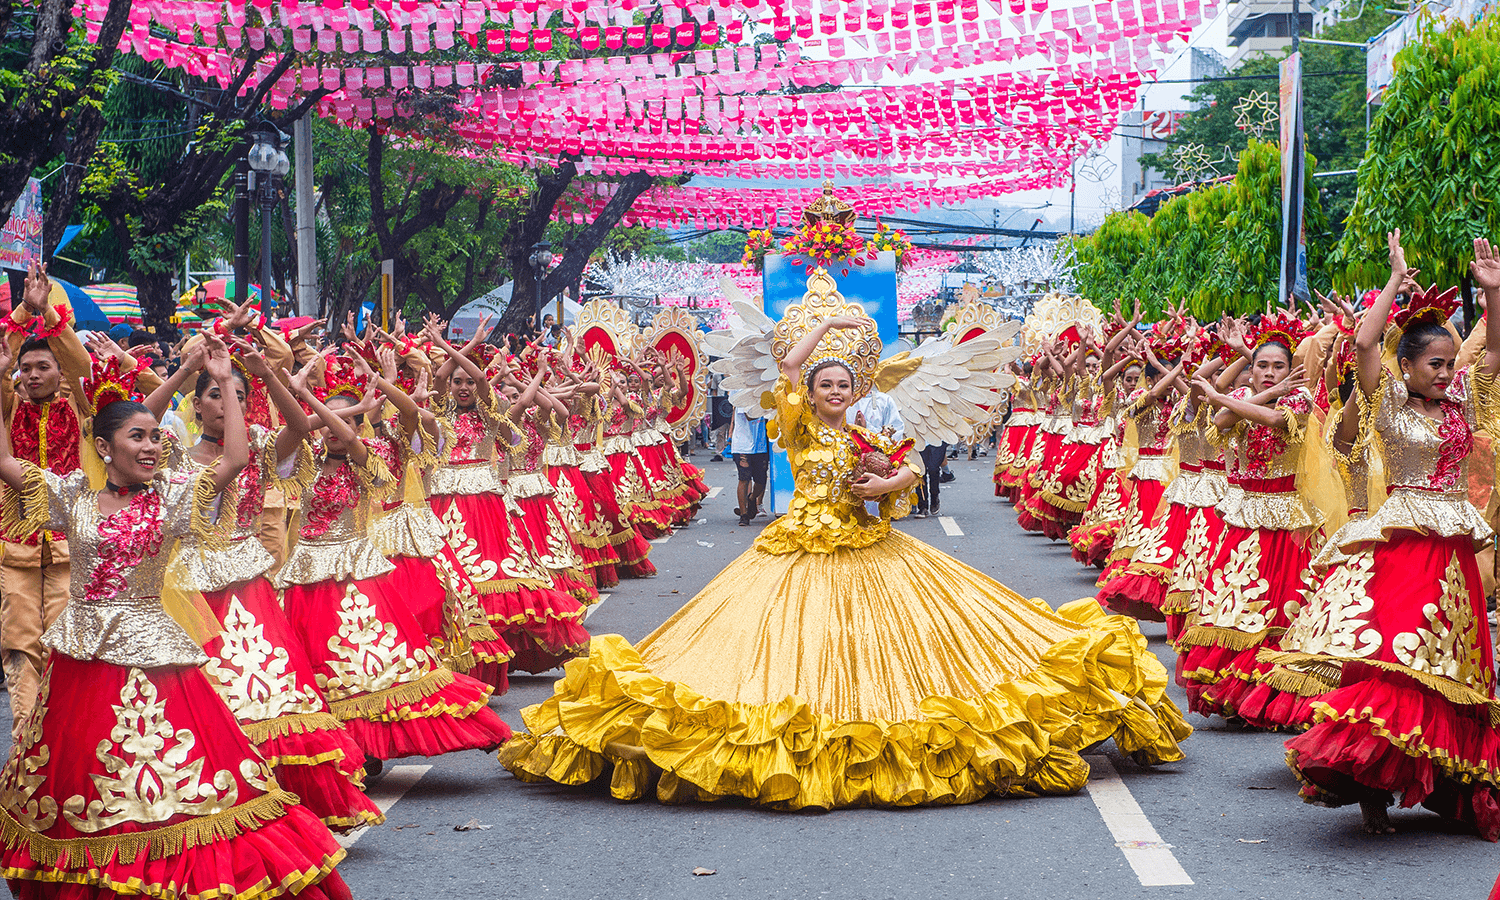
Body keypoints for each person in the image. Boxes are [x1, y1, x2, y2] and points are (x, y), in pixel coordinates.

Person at [500, 295, 1189, 811]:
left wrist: (883, 481)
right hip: (798, 546)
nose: (832, 391)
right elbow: (789, 369)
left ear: (857, 391)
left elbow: (908, 472)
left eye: (842, 385)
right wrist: (826, 333)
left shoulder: (863, 433)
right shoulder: (798, 425)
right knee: (774, 645)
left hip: (866, 544)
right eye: (825, 384)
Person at [0, 336, 353, 900]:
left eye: (153, 437)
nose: (149, 447)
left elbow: (237, 460)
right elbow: (4, 464)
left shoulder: (172, 498)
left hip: (156, 654)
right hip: (81, 659)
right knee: (79, 778)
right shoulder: (73, 497)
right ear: (103, 447)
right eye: (135, 437)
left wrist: (222, 379)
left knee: (180, 772)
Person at [1282, 233, 1500, 839]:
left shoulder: (1463, 406)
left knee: (1454, 665)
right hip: (1404, 545)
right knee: (1394, 660)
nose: (1446, 372)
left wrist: (1493, 297)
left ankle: (1445, 784)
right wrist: (1394, 278)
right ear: (1407, 366)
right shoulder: (1387, 404)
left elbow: (1494, 359)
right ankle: (1371, 789)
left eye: (1450, 363)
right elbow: (1364, 341)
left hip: (1454, 550)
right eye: (1435, 363)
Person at [730, 405, 768, 526]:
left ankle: (751, 499)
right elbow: (749, 415)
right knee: (744, 478)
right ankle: (744, 515)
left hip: (761, 444)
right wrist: (769, 408)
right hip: (743, 444)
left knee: (761, 480)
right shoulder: (743, 394)